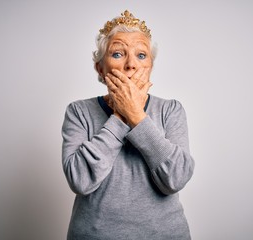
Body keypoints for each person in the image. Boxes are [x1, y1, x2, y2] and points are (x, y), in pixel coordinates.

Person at [61, 10, 195, 240]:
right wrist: (122, 116)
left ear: (151, 65)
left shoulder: (170, 110)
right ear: (100, 68)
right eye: (118, 53)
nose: (131, 64)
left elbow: (176, 178)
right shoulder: (78, 111)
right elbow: (80, 180)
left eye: (141, 55)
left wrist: (137, 116)